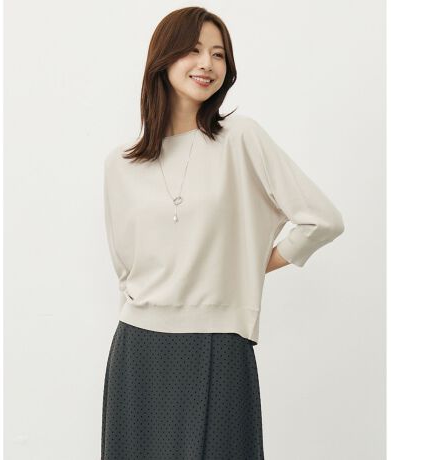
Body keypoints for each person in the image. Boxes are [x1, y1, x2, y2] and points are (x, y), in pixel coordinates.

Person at [101, 6, 345, 460]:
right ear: (163, 59)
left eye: (218, 54)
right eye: (194, 51)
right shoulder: (121, 164)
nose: (207, 64)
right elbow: (125, 269)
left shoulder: (241, 138)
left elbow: (323, 219)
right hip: (138, 347)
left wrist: (248, 264)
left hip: (219, 342)